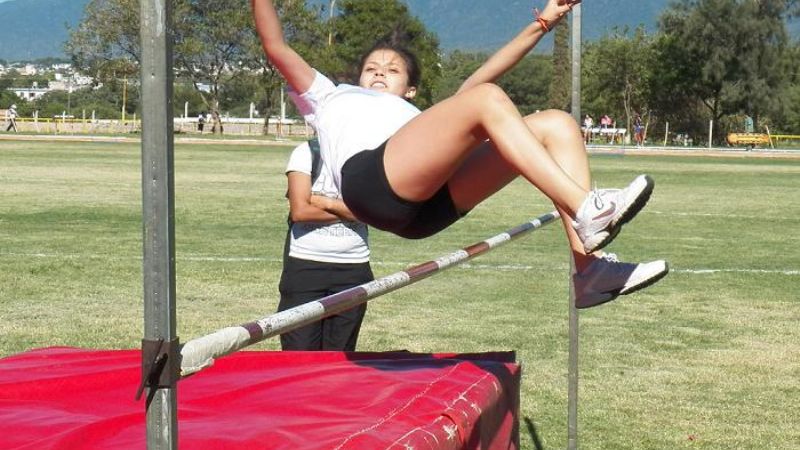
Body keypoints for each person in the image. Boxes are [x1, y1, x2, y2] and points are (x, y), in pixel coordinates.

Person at [252, 0, 668, 308]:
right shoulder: (328, 95)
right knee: (486, 99)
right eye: (372, 67)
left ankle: (589, 269)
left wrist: (544, 21)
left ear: (410, 89)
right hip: (370, 183)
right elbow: (275, 45)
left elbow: (489, 72)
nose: (379, 71)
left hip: (425, 209)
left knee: (556, 124)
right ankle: (587, 209)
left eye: (392, 69)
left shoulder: (422, 118)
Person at [278, 138, 373, 350]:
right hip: (305, 268)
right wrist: (352, 211)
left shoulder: (368, 157)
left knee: (340, 358)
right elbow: (301, 212)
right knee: (298, 355)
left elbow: (373, 209)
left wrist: (325, 202)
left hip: (354, 269)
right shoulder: (306, 153)